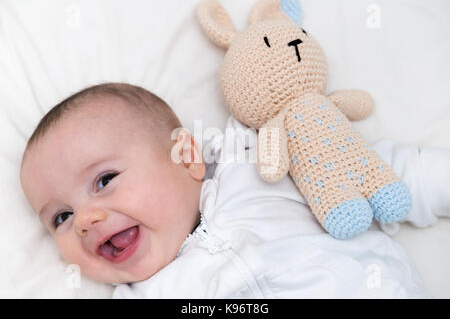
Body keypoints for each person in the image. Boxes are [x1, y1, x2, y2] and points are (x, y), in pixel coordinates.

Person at [20, 82, 449, 298]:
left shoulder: (259, 158)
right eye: (61, 216)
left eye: (104, 181)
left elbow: (372, 172)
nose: (85, 220)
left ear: (185, 156)